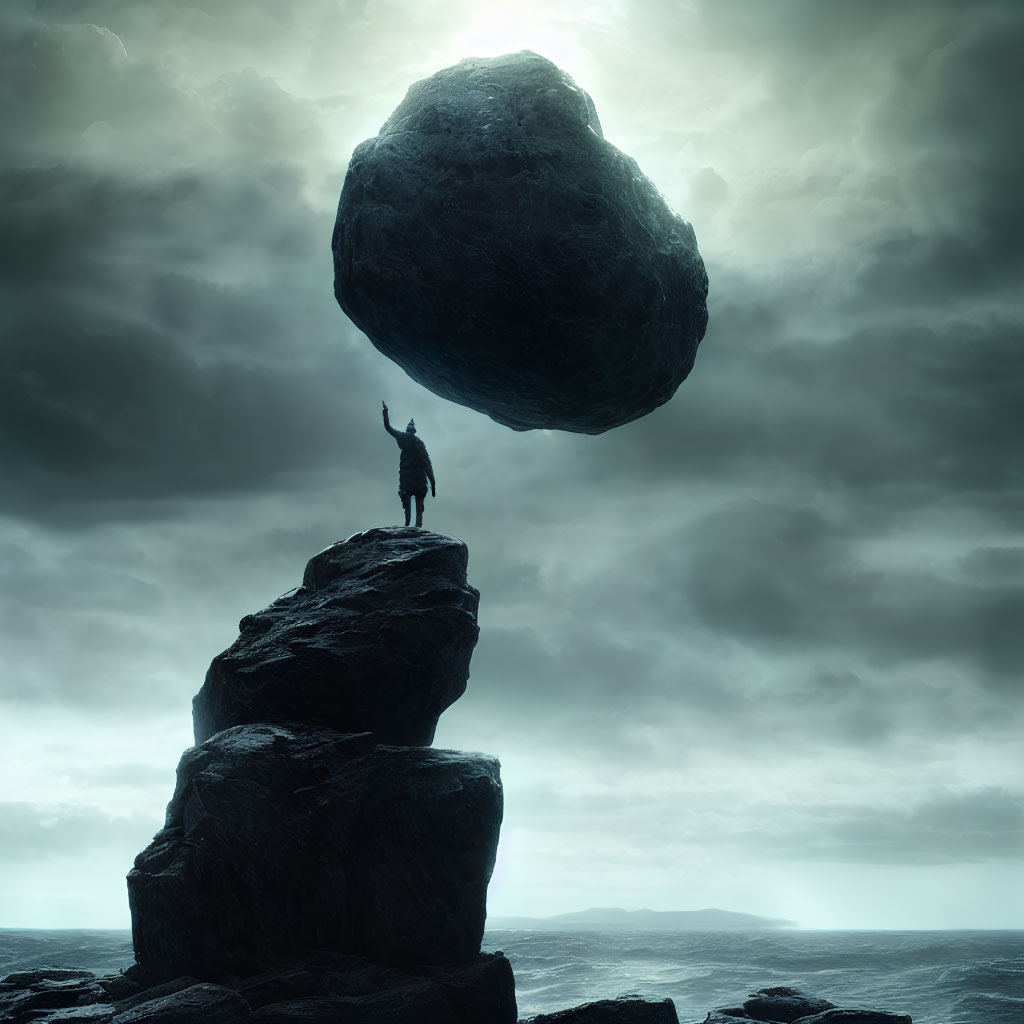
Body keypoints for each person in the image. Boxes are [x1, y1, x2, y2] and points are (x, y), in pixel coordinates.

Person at [382, 401, 436, 528]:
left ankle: (408, 523)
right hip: (417, 477)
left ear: (408, 430)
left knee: (407, 501)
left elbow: (388, 428)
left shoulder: (402, 437)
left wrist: (385, 413)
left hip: (406, 477)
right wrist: (433, 484)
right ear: (414, 431)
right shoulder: (419, 443)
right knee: (419, 504)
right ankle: (418, 524)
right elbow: (427, 463)